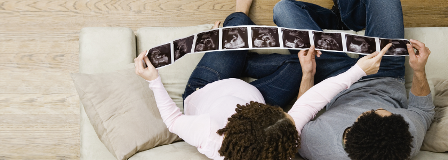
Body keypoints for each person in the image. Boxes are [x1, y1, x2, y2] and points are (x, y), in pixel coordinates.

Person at [134, 0, 393, 159]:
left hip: (209, 85)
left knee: (237, 26)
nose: (289, 114)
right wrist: (351, 70)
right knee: (298, 62)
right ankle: (235, 55)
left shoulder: (207, 135)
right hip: (253, 91)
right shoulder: (280, 140)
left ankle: (234, 37)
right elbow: (313, 101)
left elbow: (173, 120)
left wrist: (153, 79)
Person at [272, 0, 435, 159]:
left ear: (352, 127)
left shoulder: (319, 145)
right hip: (385, 71)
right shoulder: (406, 139)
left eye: (373, 110)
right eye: (388, 111)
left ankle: (338, 20)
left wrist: (308, 74)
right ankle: (348, 17)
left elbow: (300, 114)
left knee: (284, 9)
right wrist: (419, 70)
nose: (373, 106)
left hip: (335, 76)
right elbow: (424, 111)